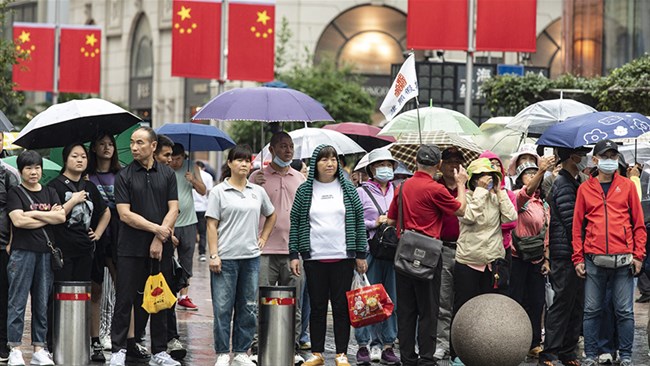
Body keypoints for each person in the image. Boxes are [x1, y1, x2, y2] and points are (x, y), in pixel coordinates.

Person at [386, 144, 468, 366]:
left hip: (404, 252)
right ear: (439, 165)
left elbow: (391, 220)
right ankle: (425, 358)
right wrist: (461, 183)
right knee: (429, 309)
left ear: (416, 162)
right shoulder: (436, 189)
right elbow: (460, 209)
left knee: (406, 309)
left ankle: (407, 358)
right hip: (430, 254)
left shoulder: (402, 187)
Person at [289, 144, 367, 366]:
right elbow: (295, 223)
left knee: (341, 306)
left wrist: (360, 254)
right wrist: (294, 253)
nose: (330, 163)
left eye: (333, 159)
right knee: (317, 306)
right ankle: (317, 353)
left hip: (343, 256)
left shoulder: (348, 189)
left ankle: (341, 353)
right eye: (324, 159)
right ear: (316, 163)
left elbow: (359, 223)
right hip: (314, 257)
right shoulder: (305, 190)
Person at [109, 126, 180, 366]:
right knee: (125, 299)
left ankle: (159, 351)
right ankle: (118, 348)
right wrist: (157, 230)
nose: (134, 147)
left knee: (160, 298)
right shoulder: (125, 175)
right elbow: (125, 214)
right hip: (130, 247)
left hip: (161, 248)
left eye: (140, 143)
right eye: (132, 142)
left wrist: (160, 238)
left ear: (153, 146)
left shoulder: (167, 174)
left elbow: (173, 209)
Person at [572, 139, 647, 366]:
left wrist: (638, 255)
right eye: (606, 156)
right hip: (594, 260)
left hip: (624, 260)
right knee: (592, 311)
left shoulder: (627, 186)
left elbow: (639, 224)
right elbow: (577, 227)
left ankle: (625, 355)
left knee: (625, 312)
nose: (610, 161)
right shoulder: (585, 189)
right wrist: (578, 258)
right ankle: (591, 355)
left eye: (614, 156)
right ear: (595, 160)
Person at [206, 144, 277, 366]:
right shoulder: (219, 191)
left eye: (247, 160)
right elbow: (211, 225)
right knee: (222, 308)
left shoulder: (258, 191)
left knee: (248, 307)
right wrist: (213, 255)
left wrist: (263, 238)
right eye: (239, 160)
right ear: (229, 163)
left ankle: (240, 351)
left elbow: (271, 215)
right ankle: (221, 352)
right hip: (225, 258)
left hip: (251, 258)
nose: (244, 164)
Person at [450, 157, 517, 366]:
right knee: (463, 308)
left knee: (492, 309)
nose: (484, 181)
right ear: (472, 180)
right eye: (480, 177)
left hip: (493, 262)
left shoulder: (496, 196)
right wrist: (479, 191)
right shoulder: (467, 197)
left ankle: (490, 351)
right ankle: (458, 353)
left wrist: (500, 192)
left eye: (488, 177)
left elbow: (511, 217)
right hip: (468, 261)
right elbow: (468, 216)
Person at [47, 143, 110, 360]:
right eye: (75, 156)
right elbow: (56, 217)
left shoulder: (89, 186)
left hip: (85, 249)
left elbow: (106, 212)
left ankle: (82, 341)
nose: (80, 160)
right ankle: (53, 344)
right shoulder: (54, 186)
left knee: (83, 296)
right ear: (66, 160)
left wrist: (98, 234)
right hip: (62, 250)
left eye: (83, 156)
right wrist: (73, 200)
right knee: (58, 296)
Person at [249, 132, 305, 364]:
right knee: (259, 300)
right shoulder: (256, 177)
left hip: (293, 252)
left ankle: (293, 347)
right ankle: (256, 346)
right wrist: (253, 183)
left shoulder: (300, 178)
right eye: (283, 146)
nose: (288, 151)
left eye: (291, 146)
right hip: (263, 250)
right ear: (271, 150)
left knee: (295, 302)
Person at [6, 150, 66, 366]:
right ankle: (15, 349)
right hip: (22, 253)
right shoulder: (16, 192)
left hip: (45, 253)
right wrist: (47, 217)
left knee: (42, 302)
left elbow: (61, 217)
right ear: (21, 171)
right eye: (29, 168)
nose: (34, 172)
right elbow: (18, 221)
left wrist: (32, 214)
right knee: (18, 301)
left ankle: (39, 349)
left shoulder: (50, 192)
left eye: (37, 167)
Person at [537, 146, 590, 366]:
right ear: (573, 157)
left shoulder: (575, 181)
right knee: (561, 303)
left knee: (576, 303)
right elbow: (571, 223)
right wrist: (581, 249)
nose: (585, 158)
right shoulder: (564, 184)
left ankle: (568, 352)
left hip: (574, 252)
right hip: (565, 252)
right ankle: (550, 352)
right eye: (582, 154)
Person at [354, 149, 399, 366]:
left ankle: (388, 344)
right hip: (370, 249)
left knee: (390, 297)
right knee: (367, 296)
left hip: (392, 251)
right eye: (380, 164)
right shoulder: (361, 192)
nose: (386, 168)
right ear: (371, 168)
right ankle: (364, 344)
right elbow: (353, 221)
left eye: (389, 164)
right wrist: (376, 222)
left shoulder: (398, 191)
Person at [508, 157, 554, 359]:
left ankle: (534, 342)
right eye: (528, 173)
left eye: (535, 173)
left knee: (537, 302)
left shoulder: (543, 203)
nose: (533, 176)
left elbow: (547, 233)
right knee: (516, 300)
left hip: (536, 258)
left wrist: (546, 259)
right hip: (516, 257)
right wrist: (541, 171)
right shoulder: (517, 197)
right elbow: (526, 192)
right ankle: (514, 341)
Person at [434, 147, 465, 362]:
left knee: (463, 301)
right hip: (442, 249)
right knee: (442, 300)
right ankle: (441, 343)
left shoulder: (470, 187)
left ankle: (461, 345)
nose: (453, 165)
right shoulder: (435, 188)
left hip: (467, 250)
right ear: (440, 165)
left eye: (457, 161)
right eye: (449, 161)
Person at [169, 143, 206, 311]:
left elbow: (203, 191)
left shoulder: (191, 166)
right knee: (168, 259)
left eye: (178, 159)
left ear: (184, 157)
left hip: (189, 221)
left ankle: (183, 296)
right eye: (173, 158)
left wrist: (193, 180)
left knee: (186, 259)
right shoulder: (164, 169)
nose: (175, 162)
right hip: (170, 222)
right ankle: (168, 293)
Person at [0, 132, 20, 362]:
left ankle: (2, 343)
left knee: (4, 296)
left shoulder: (9, 174)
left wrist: (12, 243)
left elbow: (17, 210)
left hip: (3, 245)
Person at [193, 160, 213, 262]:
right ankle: (202, 253)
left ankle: (190, 251)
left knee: (192, 231)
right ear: (203, 167)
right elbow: (209, 192)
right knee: (203, 232)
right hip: (203, 207)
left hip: (192, 208)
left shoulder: (189, 174)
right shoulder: (208, 176)